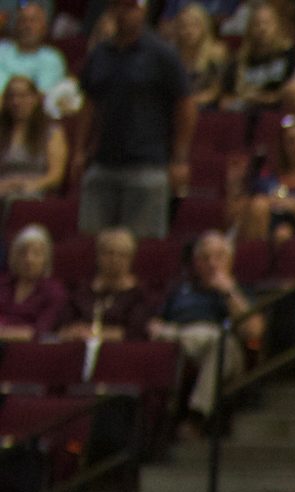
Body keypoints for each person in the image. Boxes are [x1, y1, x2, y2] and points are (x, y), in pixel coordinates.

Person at [78, 0, 193, 239]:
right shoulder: (99, 54)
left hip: (148, 165)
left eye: (131, 8)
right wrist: (79, 149)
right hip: (103, 162)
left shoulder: (162, 54)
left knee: (142, 245)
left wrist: (179, 158)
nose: (124, 14)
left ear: (143, 12)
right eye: (119, 7)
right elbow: (90, 103)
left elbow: (185, 105)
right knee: (93, 241)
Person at [150, 232, 256, 426]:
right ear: (196, 262)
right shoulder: (182, 290)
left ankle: (194, 416)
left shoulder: (240, 290)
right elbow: (156, 321)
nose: (212, 264)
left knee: (219, 342)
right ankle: (189, 416)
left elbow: (253, 332)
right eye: (205, 258)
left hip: (225, 348)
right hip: (183, 341)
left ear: (230, 260)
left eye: (219, 257)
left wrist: (229, 293)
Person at [70, 227, 155, 345]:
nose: (114, 259)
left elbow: (136, 332)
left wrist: (100, 335)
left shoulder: (139, 295)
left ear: (131, 258)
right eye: (109, 253)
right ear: (98, 256)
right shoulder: (82, 291)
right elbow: (65, 325)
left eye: (122, 255)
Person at [0, 5, 64, 96]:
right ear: (15, 26)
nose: (27, 26)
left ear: (44, 28)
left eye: (33, 21)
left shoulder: (51, 59)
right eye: (23, 20)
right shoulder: (2, 49)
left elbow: (42, 97)